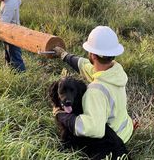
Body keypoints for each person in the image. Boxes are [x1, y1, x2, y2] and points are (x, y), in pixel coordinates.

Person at [53, 26, 133, 158]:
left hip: (112, 140)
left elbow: (93, 129)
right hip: (125, 130)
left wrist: (62, 116)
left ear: (93, 55)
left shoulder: (95, 92)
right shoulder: (115, 72)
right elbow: (87, 67)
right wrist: (64, 55)